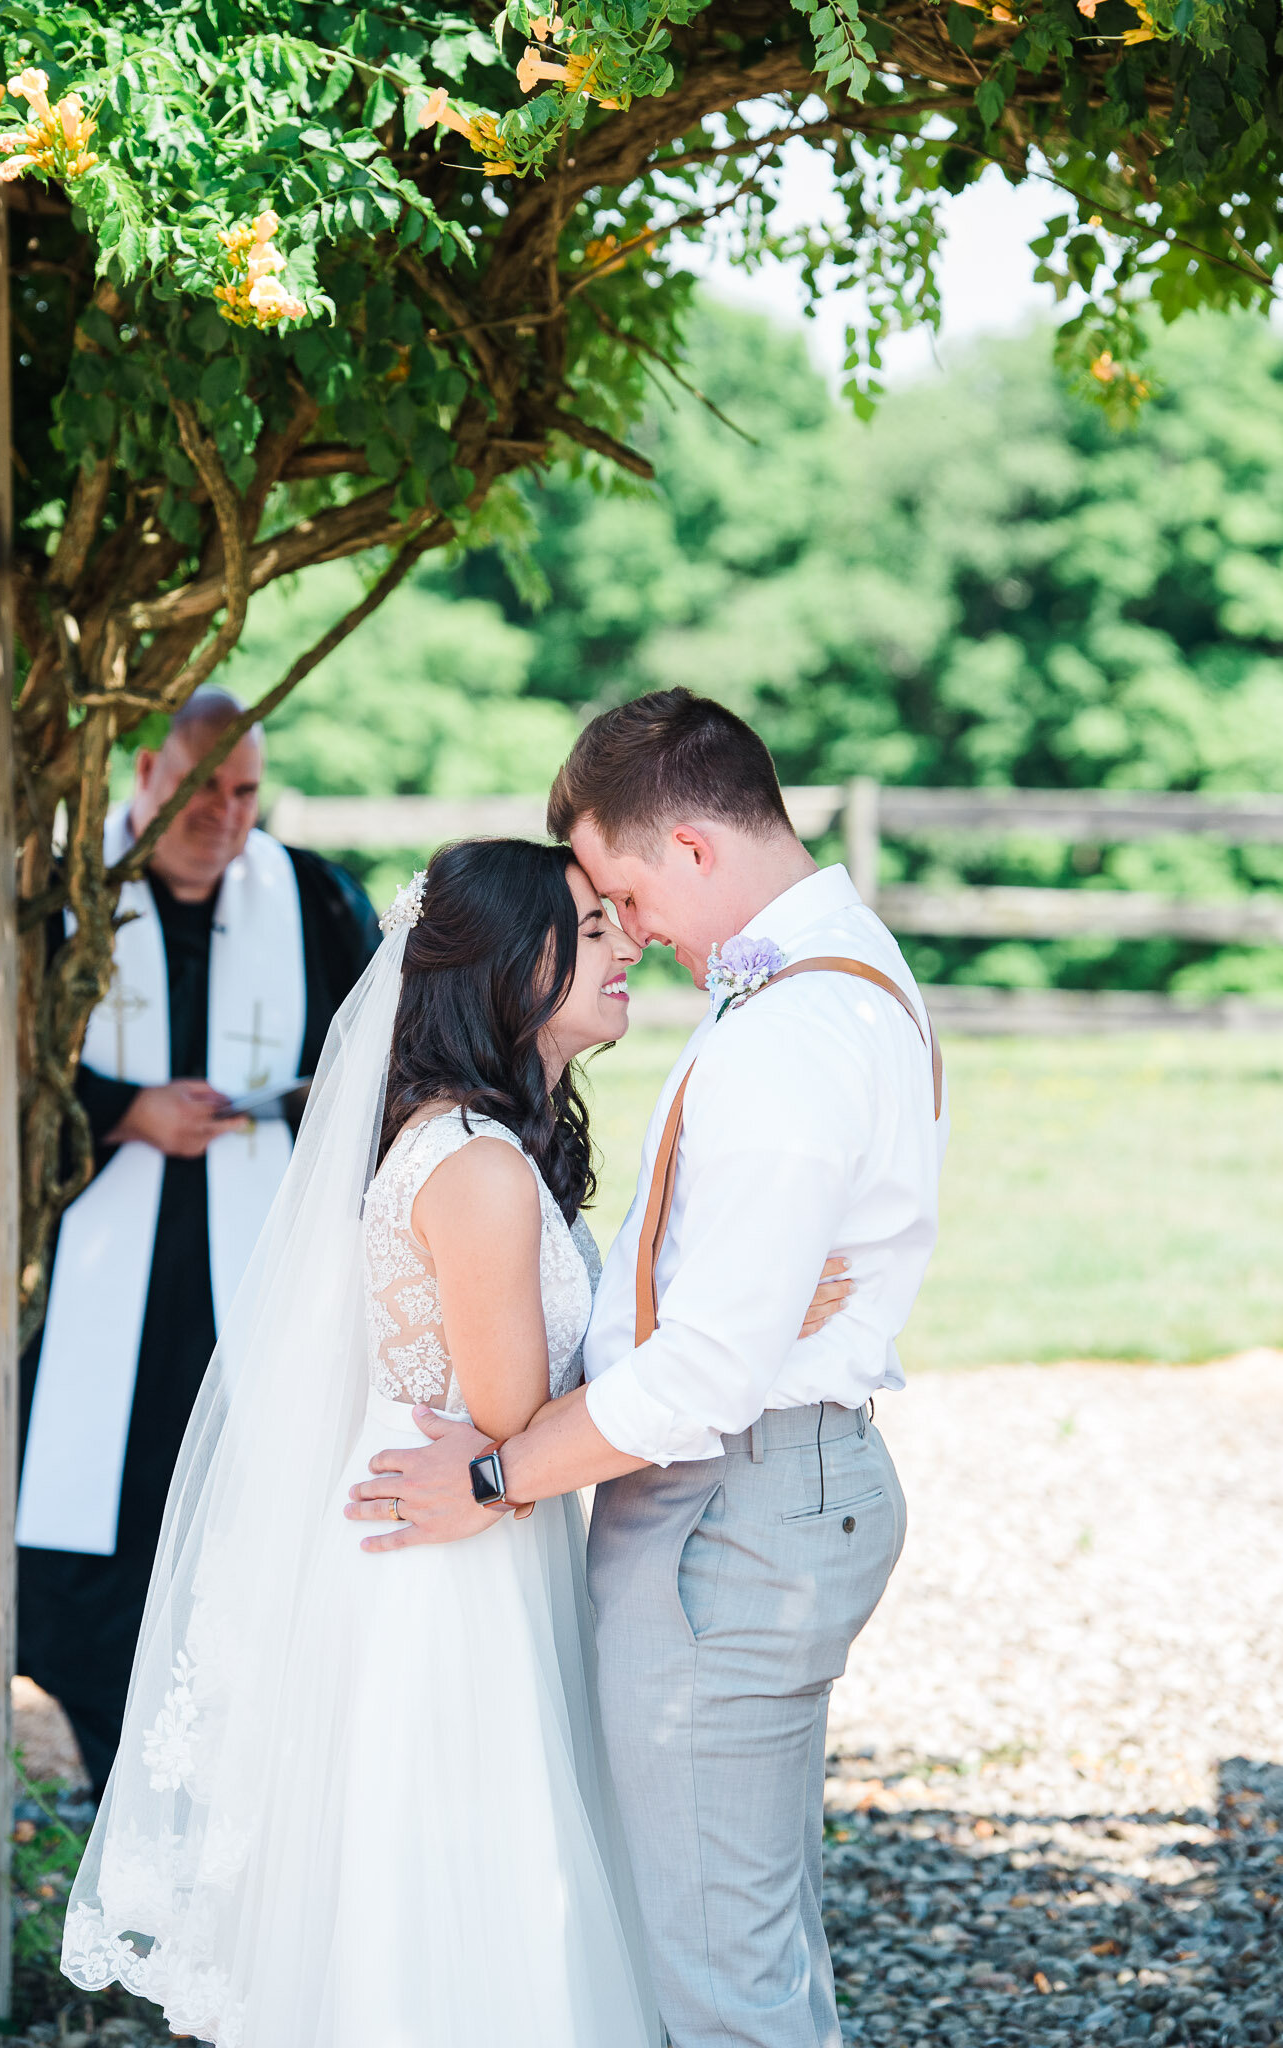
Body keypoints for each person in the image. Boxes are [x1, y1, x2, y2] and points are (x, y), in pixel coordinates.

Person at [59, 837, 851, 2047]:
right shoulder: (474, 1166)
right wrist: (742, 1321)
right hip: (450, 1570)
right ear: (504, 967)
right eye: (590, 930)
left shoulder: (470, 1140)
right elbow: (516, 1427)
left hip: (458, 1536)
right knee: (470, 1901)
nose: (626, 942)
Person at [347, 689, 949, 2048]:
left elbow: (701, 1378)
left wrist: (494, 1476)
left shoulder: (791, 1033)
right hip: (761, 1489)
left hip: (725, 1510)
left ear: (687, 846)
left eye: (621, 891)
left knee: (718, 1979)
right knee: (752, 1943)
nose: (626, 929)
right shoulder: (829, 981)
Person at [17, 687, 378, 1799]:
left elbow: (376, 1050)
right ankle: (111, 1766)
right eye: (200, 784)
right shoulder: (60, 901)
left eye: (243, 790)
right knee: (93, 1537)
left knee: (237, 1508)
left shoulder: (310, 900)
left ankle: (220, 1784)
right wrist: (126, 1109)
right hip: (86, 1282)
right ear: (141, 776)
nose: (223, 812)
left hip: (249, 1273)